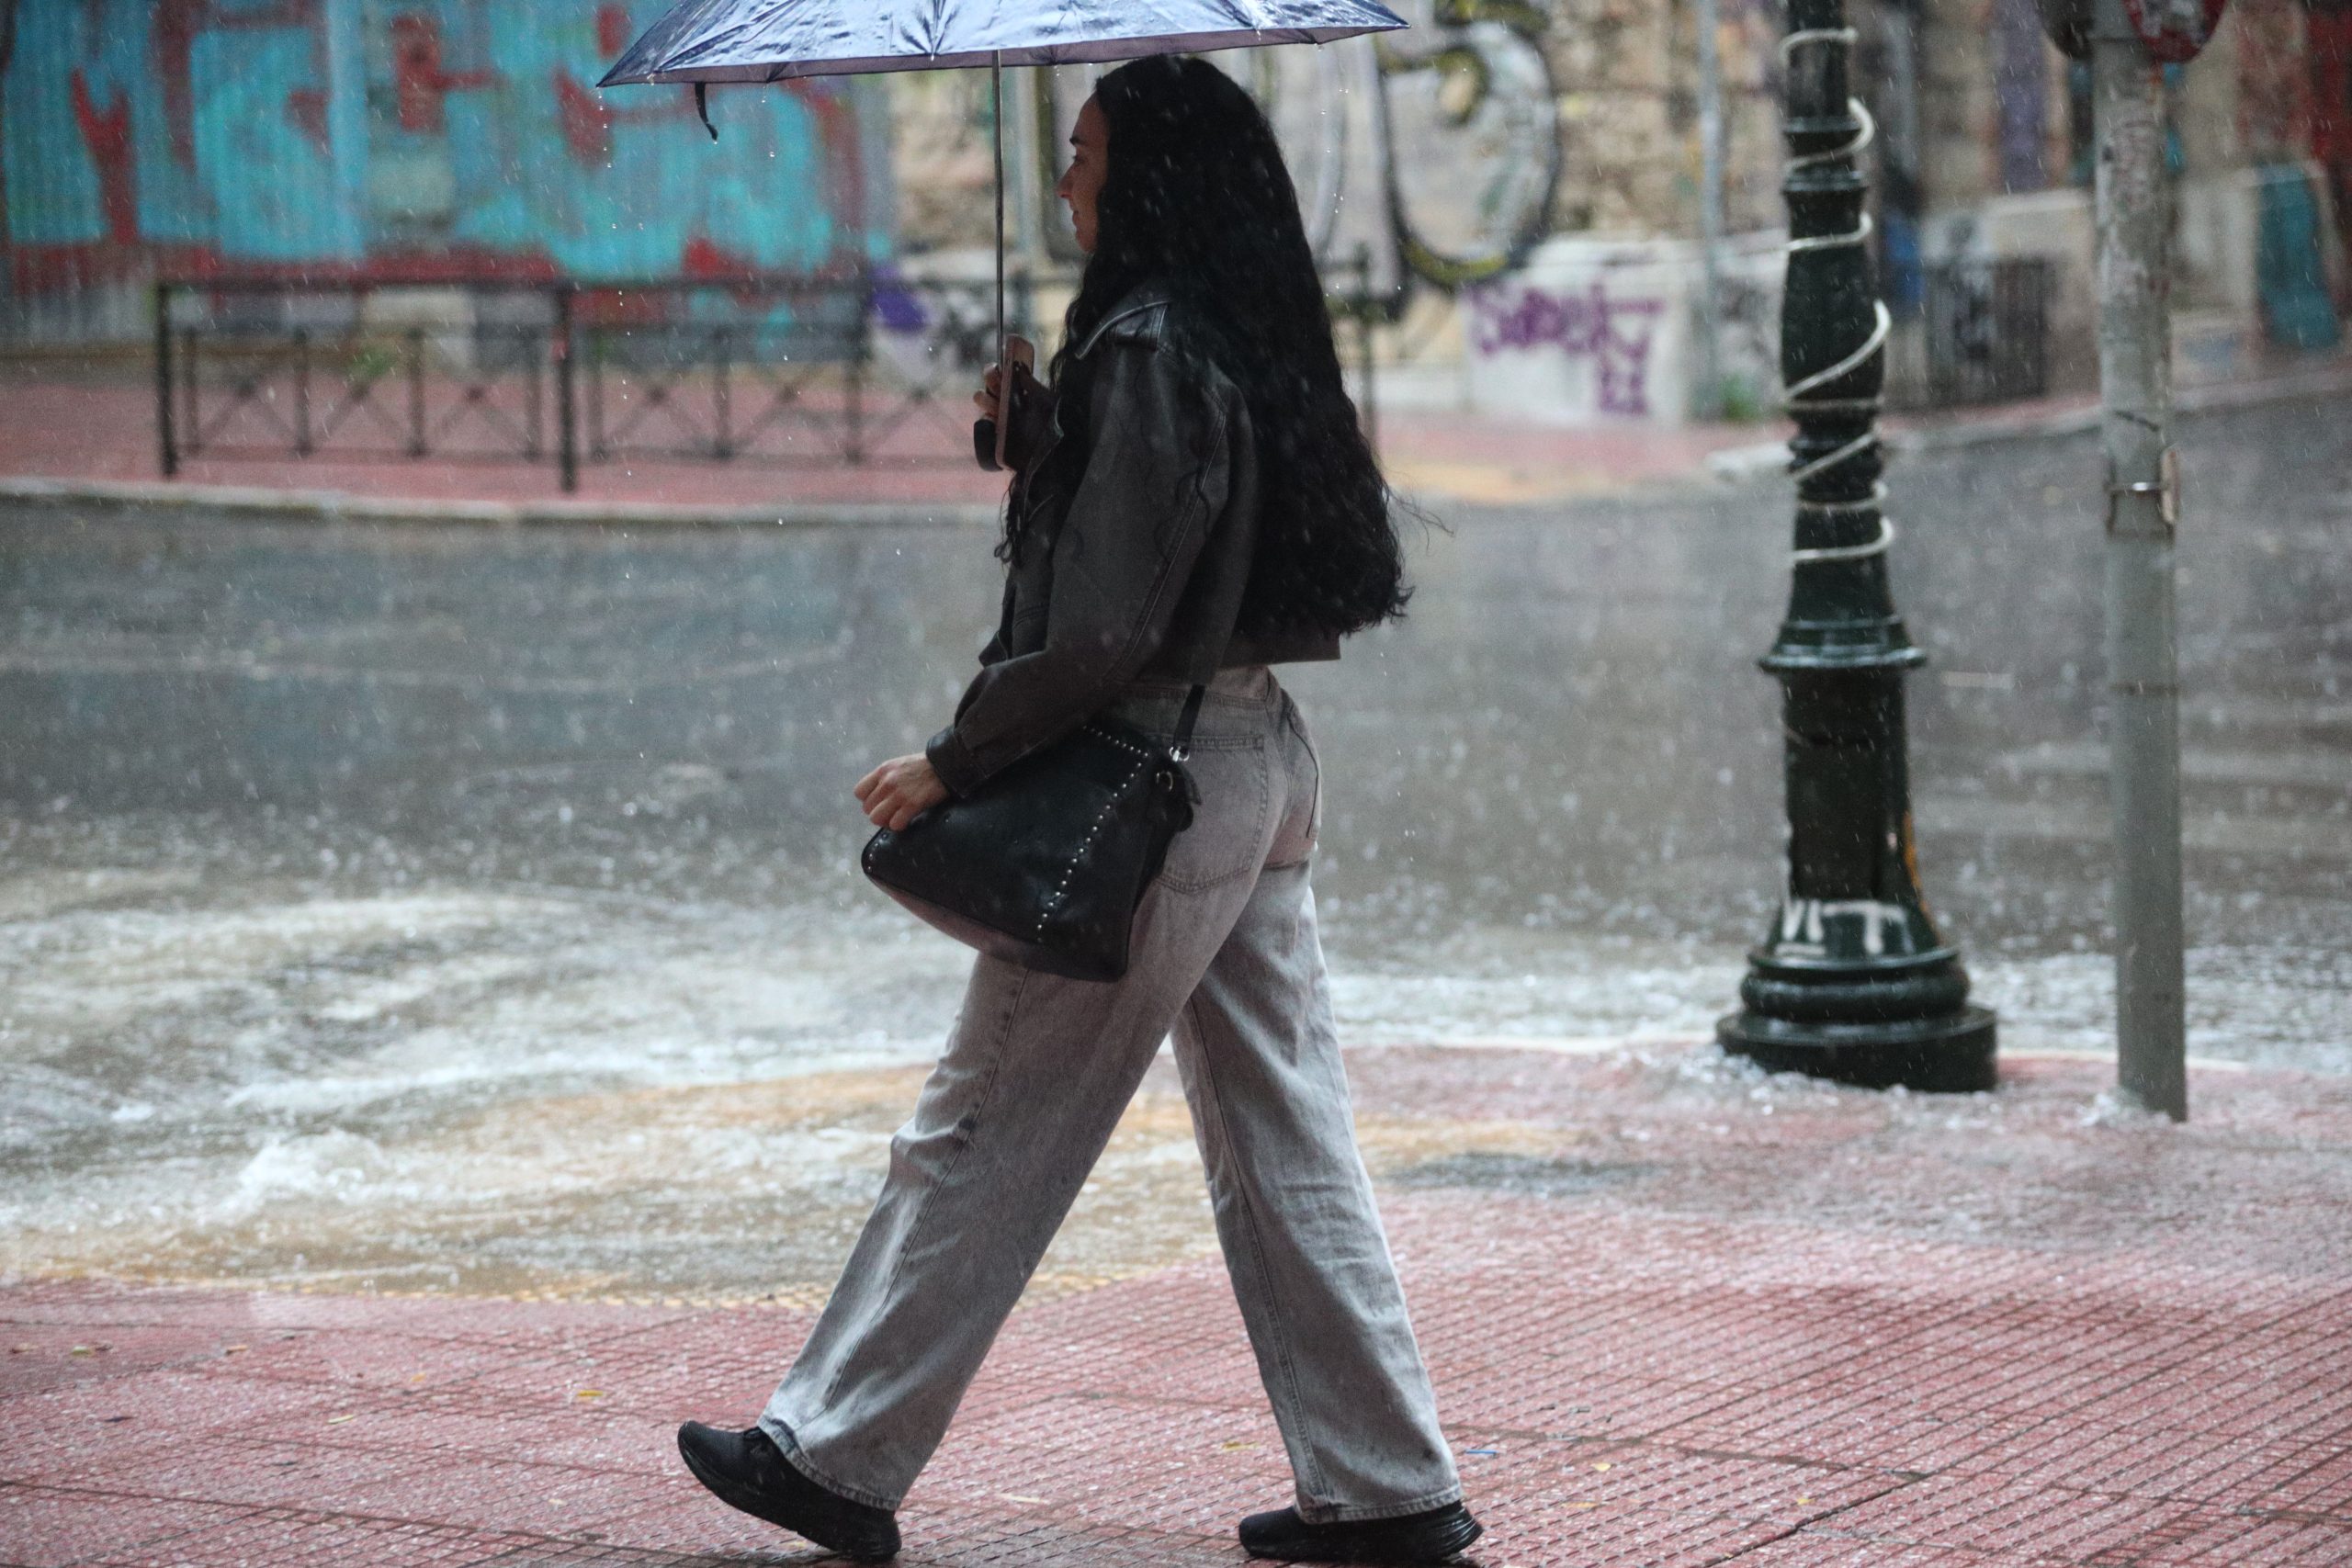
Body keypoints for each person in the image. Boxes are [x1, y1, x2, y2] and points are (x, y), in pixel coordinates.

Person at [676, 54, 1481, 1567]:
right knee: (1287, 1137)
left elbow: (1108, 625)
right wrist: (1050, 442)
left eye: (1085, 154)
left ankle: (832, 1453)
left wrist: (955, 758)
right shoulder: (1224, 324)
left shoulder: (1149, 344)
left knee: (986, 1120)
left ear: (1146, 178)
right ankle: (1387, 1488)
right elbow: (1190, 542)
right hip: (1254, 758)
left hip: (1155, 784)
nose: (1065, 182)